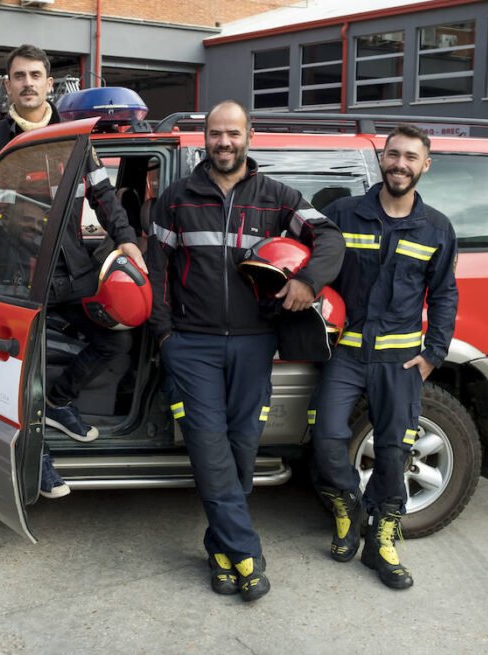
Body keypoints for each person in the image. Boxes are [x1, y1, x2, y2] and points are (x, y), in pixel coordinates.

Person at [146, 100, 344, 601]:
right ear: (205, 138)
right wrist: (166, 337)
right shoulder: (176, 198)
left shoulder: (277, 197)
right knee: (210, 450)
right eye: (216, 134)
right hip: (192, 346)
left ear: (249, 135)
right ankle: (249, 554)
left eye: (233, 133)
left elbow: (329, 237)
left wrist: (309, 283)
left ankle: (220, 550)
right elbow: (157, 275)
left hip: (257, 345)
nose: (224, 142)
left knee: (241, 450)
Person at [0, 44, 145, 499]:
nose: (28, 83)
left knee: (116, 339)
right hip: (9, 276)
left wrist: (127, 238)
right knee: (17, 374)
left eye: (36, 75)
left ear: (50, 83)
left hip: (69, 269)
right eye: (19, 76)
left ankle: (60, 400)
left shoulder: (75, 137)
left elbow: (104, 197)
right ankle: (38, 460)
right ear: (8, 84)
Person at [309, 124, 458, 590]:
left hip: (401, 362)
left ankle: (382, 537)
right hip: (347, 355)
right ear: (382, 159)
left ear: (424, 165)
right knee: (328, 440)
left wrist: (434, 353)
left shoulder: (437, 227)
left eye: (410, 157)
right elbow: (306, 255)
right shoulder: (343, 213)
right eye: (393, 154)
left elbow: (446, 293)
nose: (400, 164)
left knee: (395, 453)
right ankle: (348, 506)